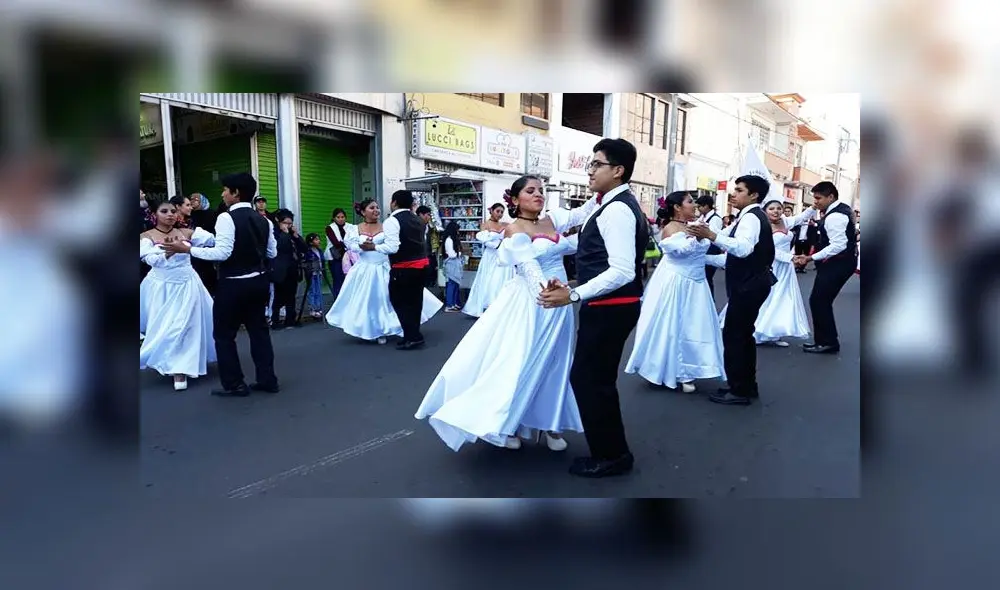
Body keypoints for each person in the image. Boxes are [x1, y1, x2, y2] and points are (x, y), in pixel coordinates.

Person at [414, 175, 582, 452]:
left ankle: (551, 423)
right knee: (519, 361)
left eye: (541, 190)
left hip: (560, 304)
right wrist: (547, 290)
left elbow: (586, 214)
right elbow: (530, 270)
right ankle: (507, 422)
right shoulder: (513, 230)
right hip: (531, 303)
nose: (538, 194)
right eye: (531, 191)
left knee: (558, 362)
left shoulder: (552, 221)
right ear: (515, 200)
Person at [537, 138, 649, 479]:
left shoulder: (616, 209)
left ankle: (612, 455)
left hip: (612, 307)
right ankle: (611, 451)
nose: (589, 171)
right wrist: (573, 286)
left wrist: (574, 295)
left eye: (596, 165)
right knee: (592, 379)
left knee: (591, 380)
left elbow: (621, 270)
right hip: (609, 304)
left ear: (617, 171)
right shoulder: (606, 202)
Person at [161, 172, 279, 397]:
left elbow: (222, 253)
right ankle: (268, 380)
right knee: (259, 332)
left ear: (236, 193)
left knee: (224, 335)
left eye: (226, 189)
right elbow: (271, 251)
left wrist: (188, 249)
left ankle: (235, 384)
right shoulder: (264, 220)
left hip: (233, 284)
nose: (223, 193)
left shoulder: (226, 218)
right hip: (260, 281)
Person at [688, 175, 776, 406]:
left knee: (735, 335)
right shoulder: (746, 217)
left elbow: (743, 249)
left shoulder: (751, 218)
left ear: (754, 194)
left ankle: (739, 390)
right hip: (751, 282)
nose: (733, 194)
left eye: (739, 190)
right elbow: (729, 252)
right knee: (743, 335)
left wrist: (711, 235)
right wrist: (704, 254)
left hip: (749, 284)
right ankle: (745, 385)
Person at [625, 192, 724, 393]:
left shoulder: (697, 225)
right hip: (676, 282)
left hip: (697, 284)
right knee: (672, 326)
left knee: (694, 326)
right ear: (677, 207)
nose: (694, 205)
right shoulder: (670, 228)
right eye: (689, 201)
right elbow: (679, 252)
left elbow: (701, 256)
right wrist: (696, 236)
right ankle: (667, 369)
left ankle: (688, 369)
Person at [325, 199, 442, 344]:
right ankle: (372, 329)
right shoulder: (354, 229)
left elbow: (394, 244)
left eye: (377, 207)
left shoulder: (387, 225)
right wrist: (361, 246)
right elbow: (350, 245)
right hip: (364, 268)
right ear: (363, 212)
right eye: (371, 208)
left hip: (384, 267)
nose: (376, 210)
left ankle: (392, 328)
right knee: (368, 301)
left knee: (387, 300)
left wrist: (375, 247)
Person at [718, 197, 817, 347]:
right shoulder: (761, 225)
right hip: (770, 265)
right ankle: (756, 331)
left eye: (779, 208)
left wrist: (813, 207)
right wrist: (791, 257)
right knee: (767, 299)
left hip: (786, 269)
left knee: (783, 300)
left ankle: (772, 333)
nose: (776, 211)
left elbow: (801, 217)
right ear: (765, 211)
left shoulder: (786, 221)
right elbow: (771, 250)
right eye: (772, 208)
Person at [140, 200, 216, 391]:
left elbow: (214, 242)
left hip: (188, 284)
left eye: (173, 211)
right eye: (164, 211)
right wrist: (169, 252)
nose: (170, 215)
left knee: (187, 324)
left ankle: (181, 368)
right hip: (161, 287)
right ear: (155, 214)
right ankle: (171, 363)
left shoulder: (187, 232)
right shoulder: (146, 236)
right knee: (166, 328)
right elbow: (149, 259)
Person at [793, 181, 858, 354]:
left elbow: (838, 245)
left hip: (838, 262)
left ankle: (827, 342)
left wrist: (810, 258)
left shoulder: (835, 216)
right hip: (839, 262)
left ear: (831, 196)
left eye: (818, 198)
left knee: (819, 300)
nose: (816, 202)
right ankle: (824, 340)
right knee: (820, 300)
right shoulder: (838, 210)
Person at [375, 190, 433, 350]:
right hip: (422, 266)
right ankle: (413, 335)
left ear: (394, 202)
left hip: (403, 267)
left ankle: (412, 336)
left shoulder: (392, 220)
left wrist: (374, 246)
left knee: (399, 301)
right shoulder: (419, 220)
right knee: (415, 302)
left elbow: (392, 247)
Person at [462, 203, 515, 317]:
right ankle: (486, 305)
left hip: (502, 256)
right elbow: (485, 241)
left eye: (502, 212)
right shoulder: (485, 225)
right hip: (490, 256)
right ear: (491, 211)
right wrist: (498, 244)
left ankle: (500, 307)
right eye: (498, 211)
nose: (500, 214)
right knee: (487, 279)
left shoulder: (504, 224)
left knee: (501, 279)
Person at [269, 208, 307, 330]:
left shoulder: (291, 234)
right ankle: (274, 320)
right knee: (279, 296)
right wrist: (285, 233)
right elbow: (278, 247)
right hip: (280, 269)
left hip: (293, 268)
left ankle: (290, 320)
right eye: (285, 223)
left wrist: (296, 236)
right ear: (278, 221)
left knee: (291, 295)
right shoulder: (274, 233)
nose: (288, 226)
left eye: (290, 223)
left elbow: (304, 248)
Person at [695, 194, 724, 301]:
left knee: (707, 277)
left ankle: (710, 300)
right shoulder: (703, 217)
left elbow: (714, 234)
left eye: (700, 207)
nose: (698, 209)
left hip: (712, 249)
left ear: (706, 206)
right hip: (705, 248)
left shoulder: (715, 219)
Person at [324, 208, 349, 301]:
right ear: (334, 218)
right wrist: (348, 244)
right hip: (336, 258)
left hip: (348, 257)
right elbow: (336, 242)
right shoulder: (330, 228)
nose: (341, 219)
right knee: (338, 280)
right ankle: (337, 301)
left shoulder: (349, 226)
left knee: (347, 280)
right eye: (338, 217)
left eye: (342, 217)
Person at [415, 206, 441, 295]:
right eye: (427, 215)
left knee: (430, 277)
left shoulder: (430, 227)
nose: (429, 217)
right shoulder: (413, 226)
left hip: (429, 256)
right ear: (420, 215)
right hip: (418, 258)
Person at [440, 221, 464, 312]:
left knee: (455, 285)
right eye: (457, 230)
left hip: (454, 265)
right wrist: (460, 253)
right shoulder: (449, 240)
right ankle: (449, 305)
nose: (458, 232)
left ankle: (454, 303)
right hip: (451, 264)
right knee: (451, 284)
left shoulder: (451, 240)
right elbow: (451, 255)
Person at [303, 232, 326, 319]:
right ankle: (313, 309)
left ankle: (319, 308)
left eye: (318, 239)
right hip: (312, 274)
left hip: (319, 273)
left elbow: (322, 261)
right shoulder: (308, 251)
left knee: (319, 291)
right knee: (312, 291)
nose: (318, 241)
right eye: (316, 239)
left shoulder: (319, 250)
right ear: (310, 242)